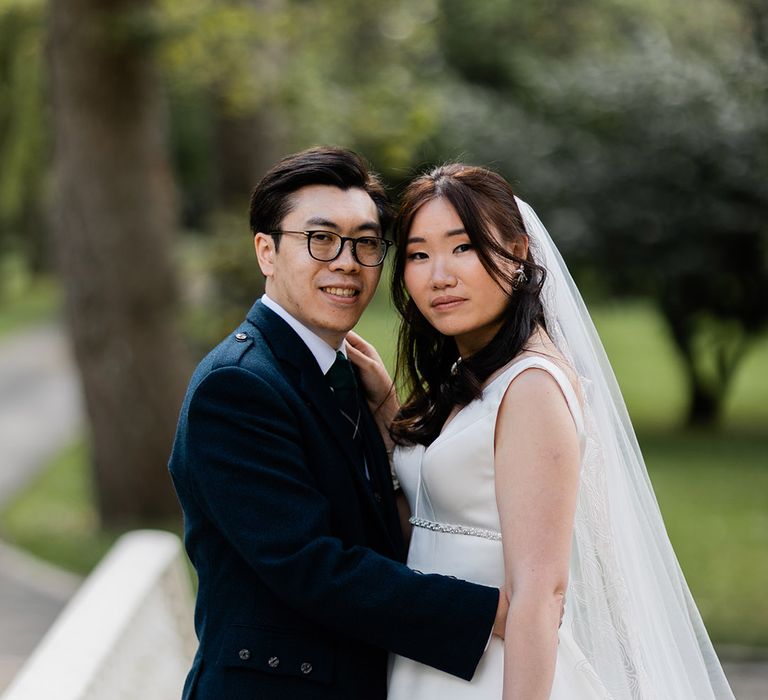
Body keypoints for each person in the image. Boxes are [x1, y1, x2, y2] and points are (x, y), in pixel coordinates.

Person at [348, 163, 735, 699]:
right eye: (418, 254)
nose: (439, 275)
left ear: (519, 251)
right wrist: (388, 408)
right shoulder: (468, 377)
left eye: (462, 247)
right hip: (436, 657)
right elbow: (436, 522)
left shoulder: (531, 387)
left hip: (497, 674)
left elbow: (540, 594)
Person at [167, 148, 509, 700]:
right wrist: (488, 611)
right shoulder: (237, 387)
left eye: (367, 243)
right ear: (267, 252)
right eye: (320, 239)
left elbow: (376, 525)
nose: (347, 261)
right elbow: (311, 565)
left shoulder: (343, 369)